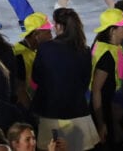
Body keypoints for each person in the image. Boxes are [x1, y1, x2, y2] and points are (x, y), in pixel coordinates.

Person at [31, 8, 98, 148]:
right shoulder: (84, 50)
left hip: (50, 114)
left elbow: (36, 77)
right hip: (79, 113)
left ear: (60, 26)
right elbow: (85, 82)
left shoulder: (45, 48)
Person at [91, 7, 123, 149]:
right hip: (103, 110)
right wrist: (101, 123)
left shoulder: (110, 47)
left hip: (110, 104)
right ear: (112, 31)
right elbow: (96, 90)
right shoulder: (107, 57)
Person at [13, 13, 53, 109]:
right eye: (48, 32)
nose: (51, 36)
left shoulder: (34, 49)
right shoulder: (19, 55)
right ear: (36, 34)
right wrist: (32, 113)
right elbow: (20, 90)